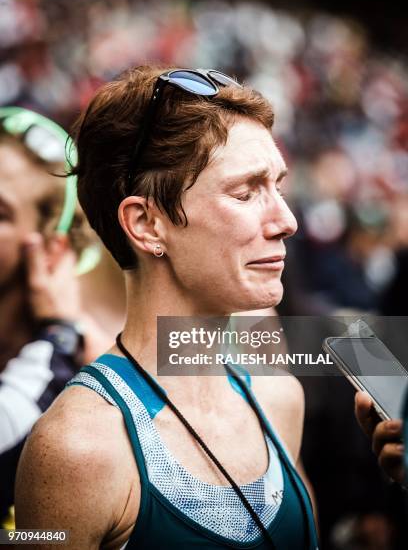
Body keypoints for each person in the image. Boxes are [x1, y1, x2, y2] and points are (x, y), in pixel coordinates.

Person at [15, 66, 319, 549]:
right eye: (245, 192)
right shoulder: (77, 447)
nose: (287, 221)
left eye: (277, 188)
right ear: (146, 224)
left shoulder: (279, 399)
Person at [0, 108, 111, 522]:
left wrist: (64, 337)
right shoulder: (65, 346)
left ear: (51, 251)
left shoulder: (94, 364)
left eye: (0, 213)